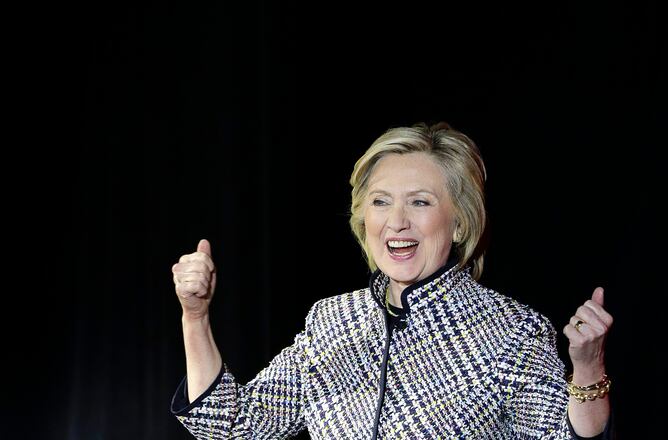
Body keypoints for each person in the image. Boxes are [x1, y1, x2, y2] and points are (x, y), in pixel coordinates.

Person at [170, 122, 614, 439]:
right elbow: (232, 427)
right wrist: (196, 317)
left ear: (459, 223)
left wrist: (588, 366)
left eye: (420, 202)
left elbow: (566, 435)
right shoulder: (332, 322)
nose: (396, 222)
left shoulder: (511, 331)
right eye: (381, 202)